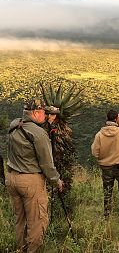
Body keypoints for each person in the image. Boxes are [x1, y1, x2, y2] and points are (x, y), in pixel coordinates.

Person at [5, 98, 63, 253]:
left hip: (12, 178)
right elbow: (46, 164)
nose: (46, 114)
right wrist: (56, 181)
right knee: (37, 222)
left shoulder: (14, 125)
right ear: (36, 113)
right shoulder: (39, 134)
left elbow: (30, 128)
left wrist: (45, 122)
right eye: (43, 112)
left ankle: (21, 249)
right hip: (30, 181)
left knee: (21, 221)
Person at [91, 110, 119, 219]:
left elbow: (94, 152)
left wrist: (103, 159)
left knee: (107, 193)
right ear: (116, 119)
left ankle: (107, 217)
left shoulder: (99, 135)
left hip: (106, 168)